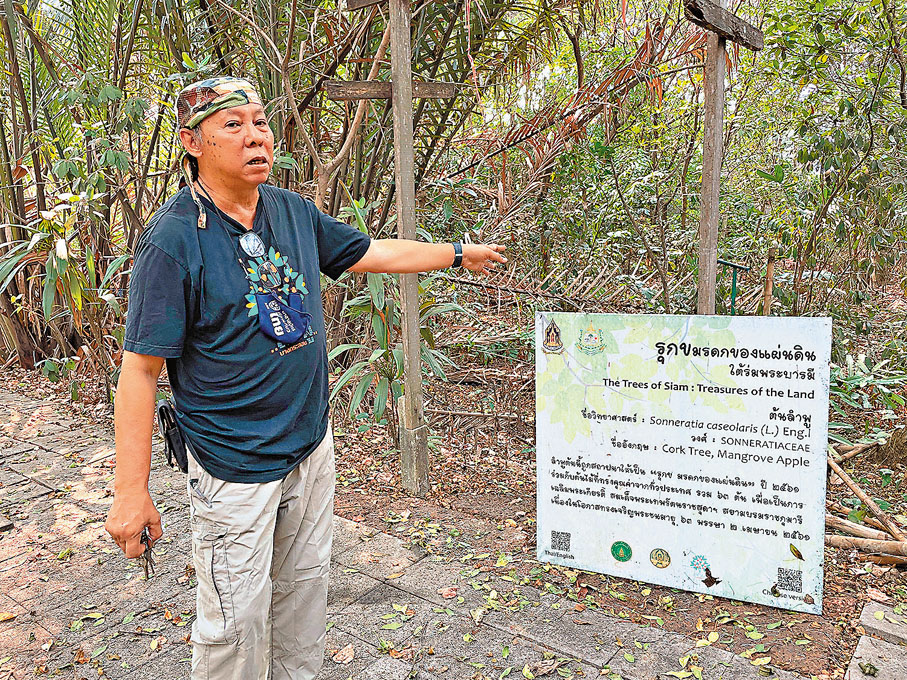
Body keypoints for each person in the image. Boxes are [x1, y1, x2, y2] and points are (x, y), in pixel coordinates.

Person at [104, 77, 506, 680]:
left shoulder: (291, 212)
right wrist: (130, 492)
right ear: (192, 141)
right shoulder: (173, 241)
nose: (255, 136)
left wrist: (454, 253)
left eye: (260, 122)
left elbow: (370, 252)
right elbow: (140, 371)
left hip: (309, 448)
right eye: (232, 125)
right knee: (235, 627)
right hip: (232, 464)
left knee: (304, 599)